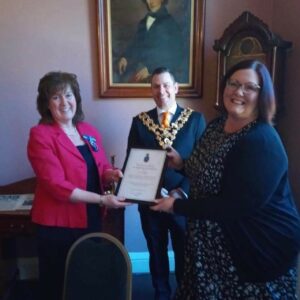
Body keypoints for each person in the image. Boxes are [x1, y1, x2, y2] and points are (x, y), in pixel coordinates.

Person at [151, 60, 300, 299]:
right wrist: (182, 164)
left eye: (250, 87)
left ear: (263, 95)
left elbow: (235, 205)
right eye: (233, 83)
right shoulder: (217, 126)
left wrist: (176, 205)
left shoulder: (261, 141)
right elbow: (208, 173)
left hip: (253, 247)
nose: (238, 92)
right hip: (210, 246)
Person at [27, 71, 131, 300]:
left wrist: (111, 175)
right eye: (56, 97)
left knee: (84, 277)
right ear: (46, 104)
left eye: (68, 95)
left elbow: (101, 167)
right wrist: (103, 199)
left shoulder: (88, 131)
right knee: (57, 282)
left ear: (76, 98)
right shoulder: (40, 135)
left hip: (90, 217)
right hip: (58, 224)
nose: (64, 103)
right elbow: (56, 186)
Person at [126, 67, 205, 300]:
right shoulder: (140, 122)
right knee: (156, 251)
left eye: (166, 85)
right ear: (151, 90)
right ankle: (161, 294)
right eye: (156, 86)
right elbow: (132, 162)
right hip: (150, 202)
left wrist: (183, 192)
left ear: (176, 88)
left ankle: (183, 293)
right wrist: (129, 184)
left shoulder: (195, 120)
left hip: (183, 201)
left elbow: (203, 164)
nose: (161, 91)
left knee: (184, 252)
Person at [116, 0, 186, 83]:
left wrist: (150, 68)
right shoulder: (143, 22)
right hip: (139, 67)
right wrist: (125, 57)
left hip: (159, 74)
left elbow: (175, 56)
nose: (149, 1)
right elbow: (136, 44)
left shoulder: (170, 23)